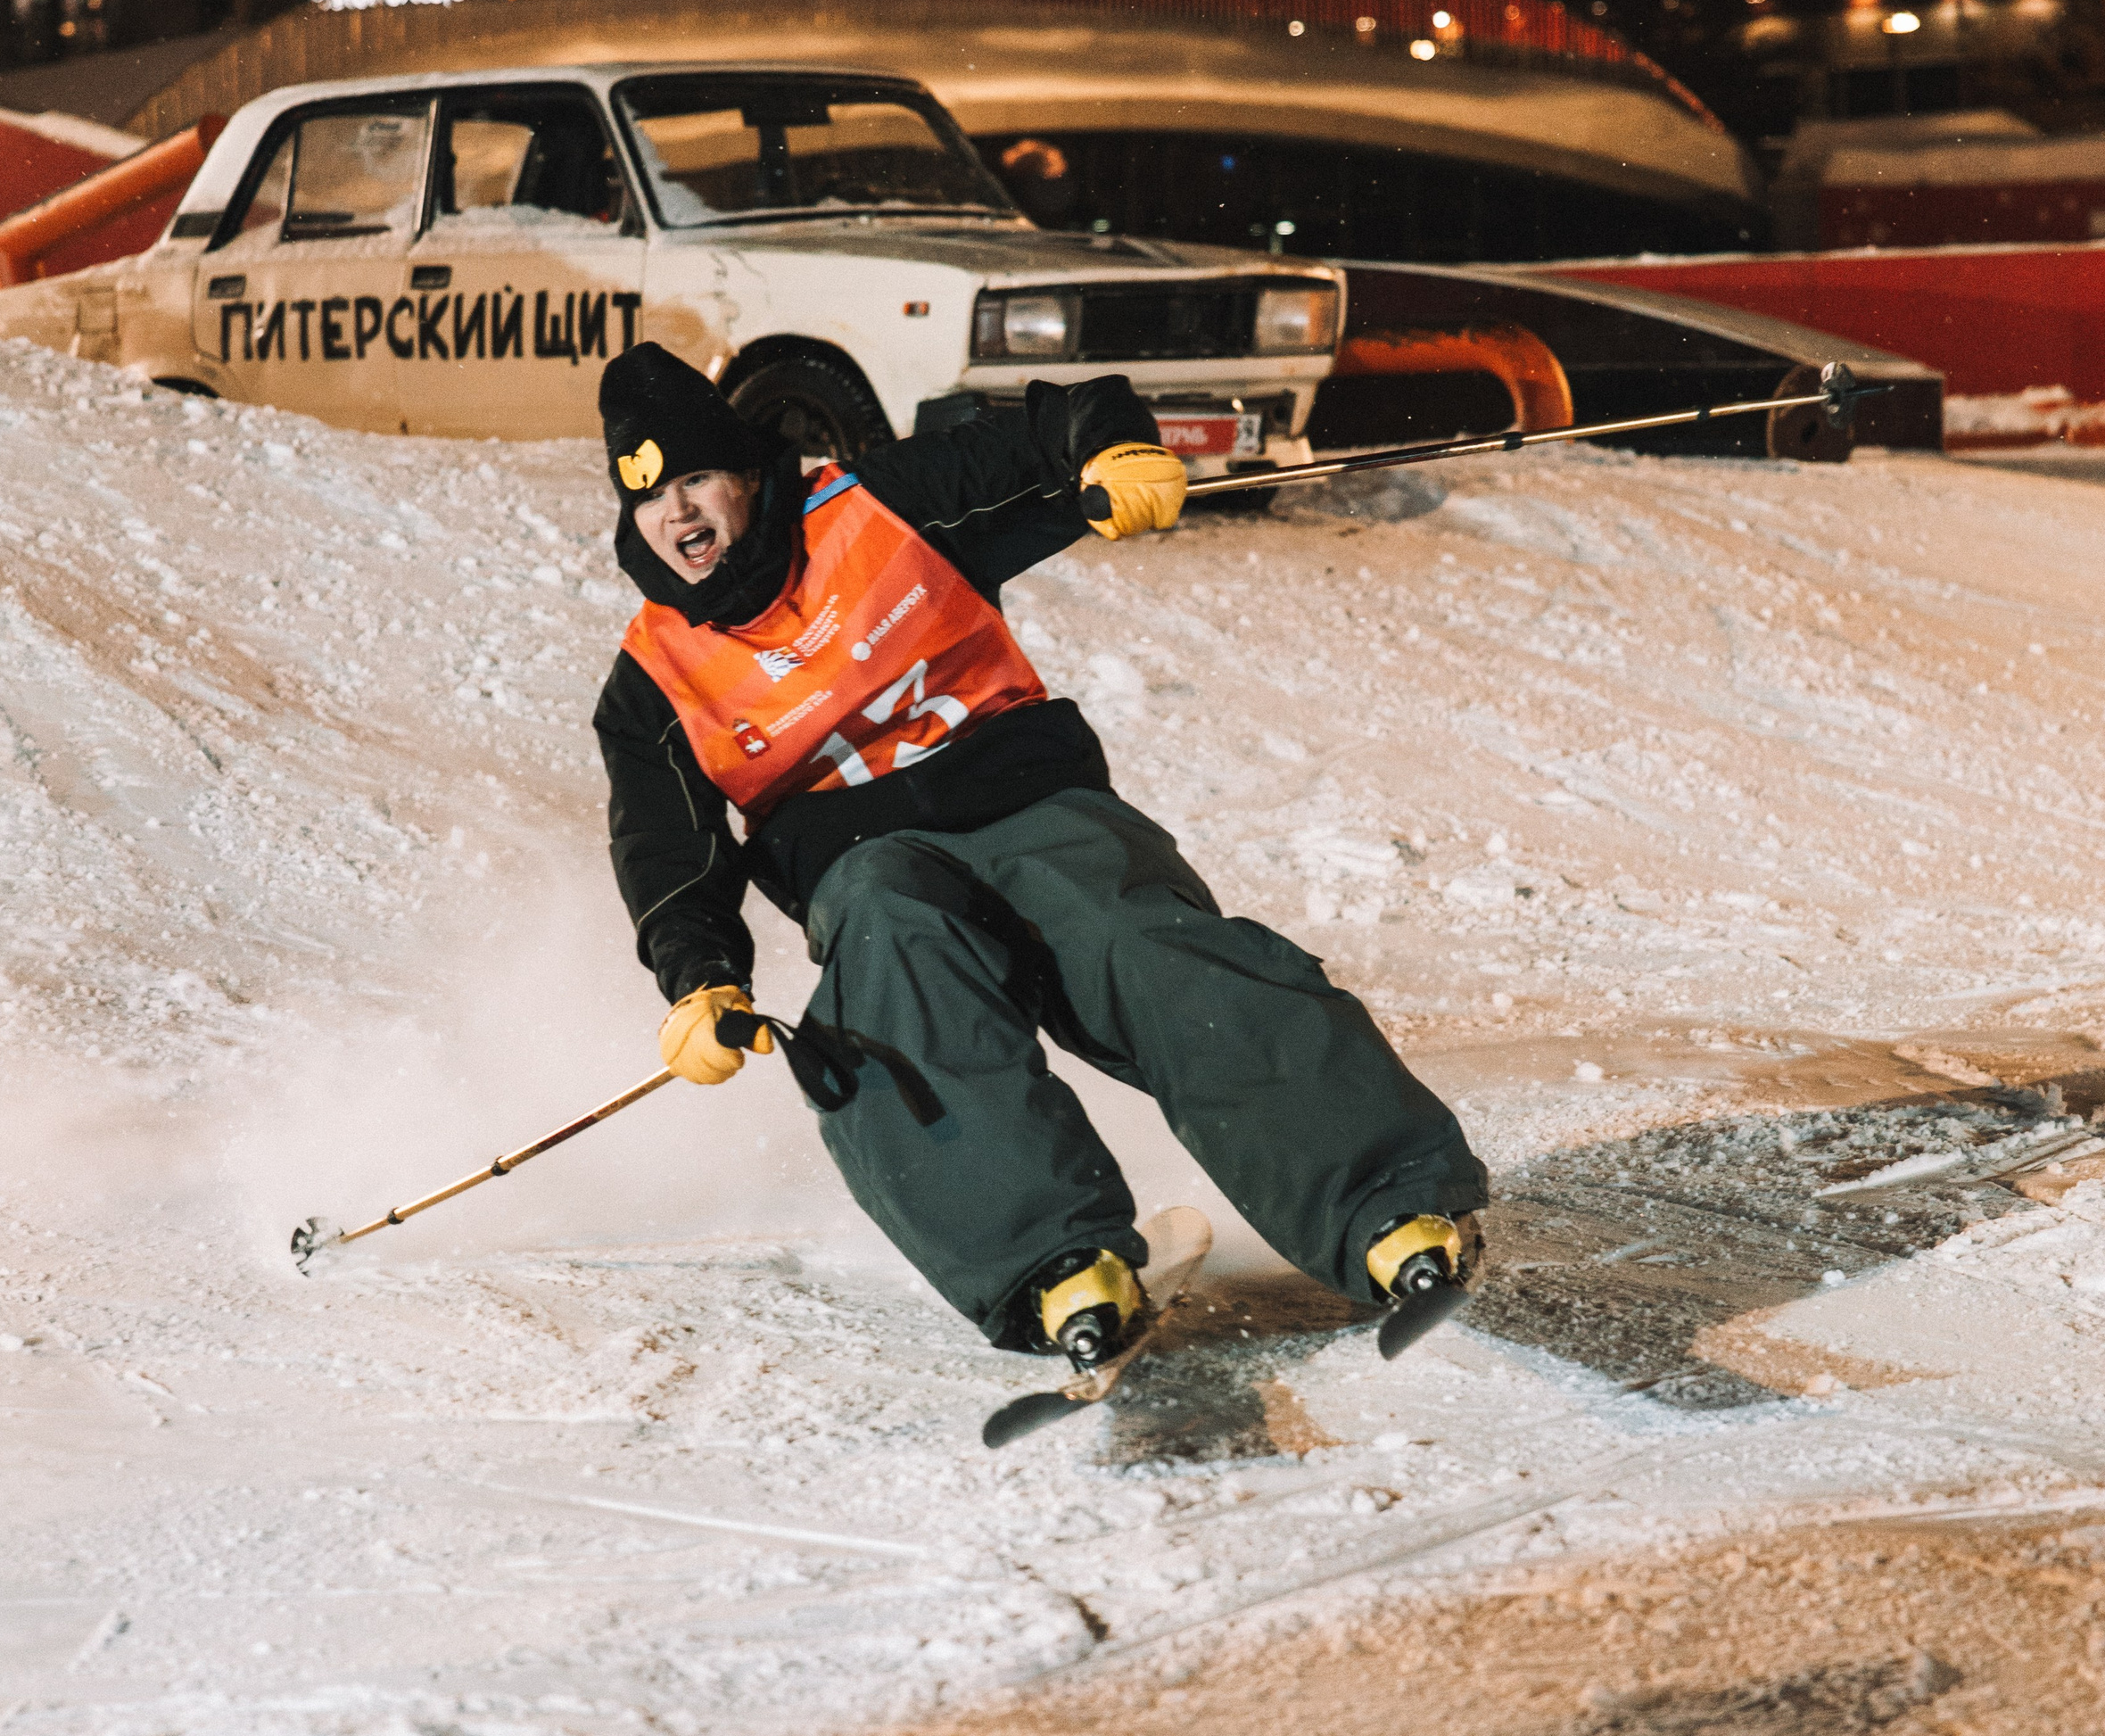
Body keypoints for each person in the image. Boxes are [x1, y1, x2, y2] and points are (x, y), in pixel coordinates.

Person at [592, 343, 1486, 1377]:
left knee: (1136, 940)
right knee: (887, 970)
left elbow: (1053, 425)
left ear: (745, 471)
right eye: (651, 496)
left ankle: (1383, 1202)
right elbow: (667, 846)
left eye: (697, 478)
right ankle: (1050, 1262)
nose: (681, 515)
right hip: (867, 863)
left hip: (1025, 798)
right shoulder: (653, 677)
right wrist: (698, 976)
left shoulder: (871, 506)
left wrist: (1110, 451)